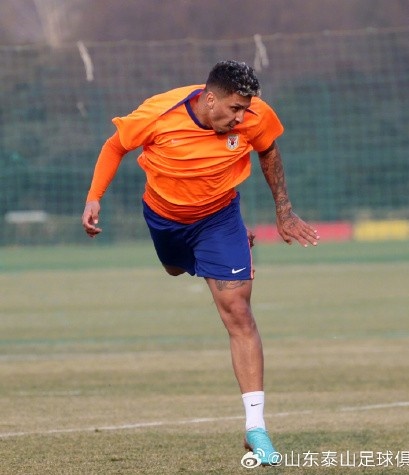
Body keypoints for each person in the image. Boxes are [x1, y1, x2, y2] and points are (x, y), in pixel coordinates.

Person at [81, 60, 319, 466]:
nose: (241, 118)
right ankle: (214, 255)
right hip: (165, 219)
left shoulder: (255, 116)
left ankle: (256, 427)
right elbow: (115, 145)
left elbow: (268, 150)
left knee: (238, 311)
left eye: (245, 109)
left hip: (219, 217)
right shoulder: (159, 114)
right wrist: (94, 197)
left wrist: (283, 210)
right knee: (174, 268)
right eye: (234, 109)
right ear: (210, 100)